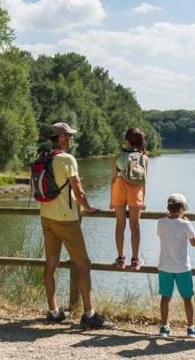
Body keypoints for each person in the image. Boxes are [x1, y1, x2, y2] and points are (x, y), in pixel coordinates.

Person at [37, 122, 113, 330]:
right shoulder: (67, 159)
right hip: (66, 220)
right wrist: (87, 207)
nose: (71, 139)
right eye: (69, 135)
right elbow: (78, 190)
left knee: (50, 265)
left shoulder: (44, 157)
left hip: (47, 217)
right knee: (83, 264)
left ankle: (53, 312)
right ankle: (89, 314)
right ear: (61, 137)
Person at [156, 193, 195, 338]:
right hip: (182, 267)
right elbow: (194, 243)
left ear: (168, 208)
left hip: (164, 267)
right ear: (182, 208)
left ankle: (164, 327)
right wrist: (186, 222)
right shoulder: (186, 224)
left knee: (165, 297)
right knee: (187, 298)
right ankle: (191, 328)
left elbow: (161, 232)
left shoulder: (160, 222)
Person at [109, 127, 149, 270]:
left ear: (126, 140)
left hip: (119, 189)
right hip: (135, 191)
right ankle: (135, 260)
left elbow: (113, 179)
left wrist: (111, 199)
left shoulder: (118, 157)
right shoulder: (144, 158)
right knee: (135, 226)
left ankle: (120, 259)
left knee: (120, 225)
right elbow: (143, 181)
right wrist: (142, 200)